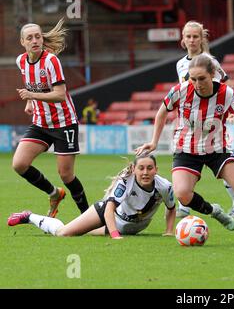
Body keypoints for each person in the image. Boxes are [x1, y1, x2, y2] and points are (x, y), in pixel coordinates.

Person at [136, 54, 234, 245]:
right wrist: (154, 141)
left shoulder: (227, 93)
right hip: (187, 150)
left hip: (218, 149)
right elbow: (163, 110)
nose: (197, 84)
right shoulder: (180, 90)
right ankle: (214, 211)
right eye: (193, 79)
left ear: (212, 74)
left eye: (202, 78)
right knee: (182, 194)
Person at [12, 18, 89, 217]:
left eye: (38, 36)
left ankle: (88, 216)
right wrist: (30, 102)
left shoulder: (51, 61)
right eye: (30, 38)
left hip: (64, 123)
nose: (35, 40)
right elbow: (31, 83)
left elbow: (60, 94)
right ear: (23, 42)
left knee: (66, 174)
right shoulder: (21, 61)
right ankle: (54, 194)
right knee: (19, 164)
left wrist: (31, 96)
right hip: (40, 122)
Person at [7, 151, 176, 239]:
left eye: (149, 168)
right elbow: (109, 209)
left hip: (127, 227)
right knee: (64, 233)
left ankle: (53, 225)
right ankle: (29, 217)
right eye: (141, 168)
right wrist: (115, 235)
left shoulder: (165, 186)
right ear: (134, 169)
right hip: (107, 215)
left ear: (156, 170)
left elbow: (171, 208)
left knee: (81, 233)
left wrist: (169, 231)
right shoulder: (125, 181)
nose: (145, 172)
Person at [175, 20, 234, 219]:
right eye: (188, 36)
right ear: (183, 40)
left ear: (202, 39)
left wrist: (228, 112)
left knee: (223, 163)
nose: (191, 40)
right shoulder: (181, 64)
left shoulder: (210, 62)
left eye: (195, 36)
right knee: (188, 164)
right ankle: (185, 206)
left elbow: (226, 85)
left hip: (213, 124)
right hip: (192, 125)